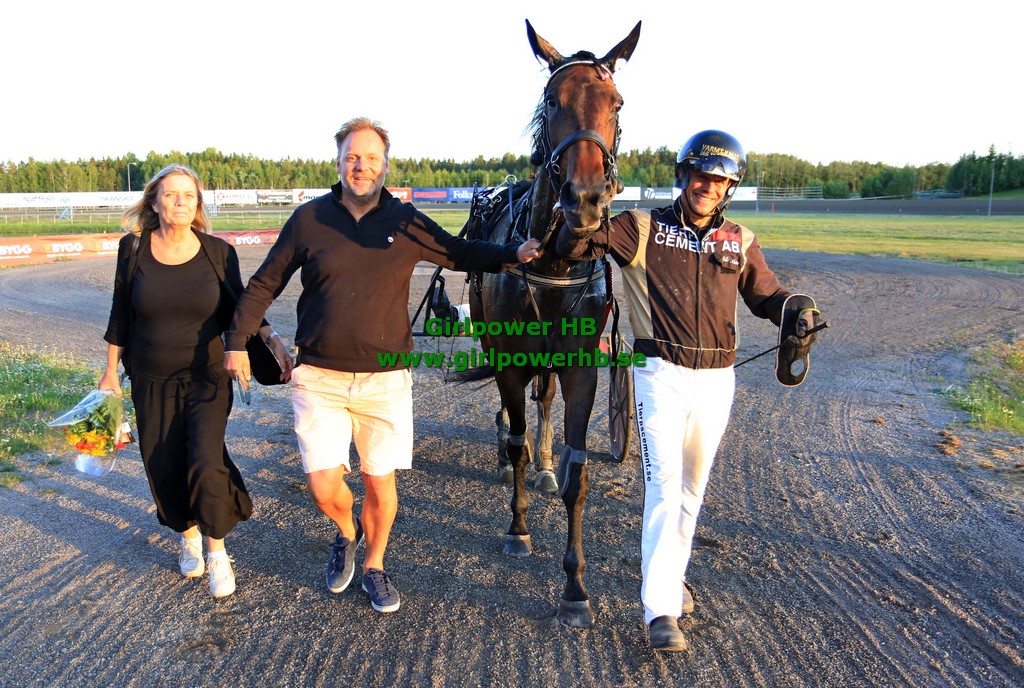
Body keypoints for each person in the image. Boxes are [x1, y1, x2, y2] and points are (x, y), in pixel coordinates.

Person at [224, 117, 541, 613]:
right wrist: (237, 342)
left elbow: (458, 252)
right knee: (322, 486)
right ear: (338, 163)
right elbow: (264, 284)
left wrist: (512, 254)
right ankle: (345, 530)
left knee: (379, 481)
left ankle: (374, 564)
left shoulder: (405, 221)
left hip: (385, 379)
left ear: (385, 165)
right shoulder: (308, 219)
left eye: (371, 158)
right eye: (353, 157)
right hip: (319, 376)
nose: (361, 166)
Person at [555, 130, 823, 651]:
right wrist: (579, 218)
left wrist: (797, 311)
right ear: (684, 176)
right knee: (663, 487)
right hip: (659, 374)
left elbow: (766, 294)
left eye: (719, 181)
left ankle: (672, 577)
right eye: (701, 176)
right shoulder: (640, 227)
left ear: (729, 188)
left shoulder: (739, 239)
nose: (708, 187)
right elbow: (577, 246)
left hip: (717, 381)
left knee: (691, 492)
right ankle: (661, 611)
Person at [100, 164, 293, 598]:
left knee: (205, 460)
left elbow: (242, 309)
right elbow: (120, 315)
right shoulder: (133, 249)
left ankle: (217, 551)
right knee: (163, 464)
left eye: (189, 195)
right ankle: (187, 536)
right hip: (150, 378)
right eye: (171, 195)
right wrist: (110, 371)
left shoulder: (217, 253)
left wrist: (273, 340)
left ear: (198, 204)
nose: (181, 202)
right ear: (155, 203)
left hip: (207, 377)